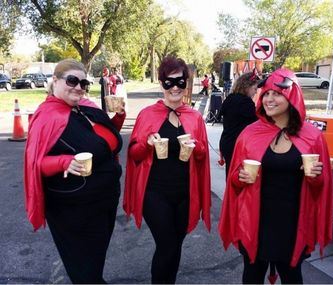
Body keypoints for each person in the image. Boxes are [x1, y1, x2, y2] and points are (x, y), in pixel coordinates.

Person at [219, 68, 333, 284]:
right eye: (266, 94)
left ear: (292, 96)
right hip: (255, 220)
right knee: (252, 275)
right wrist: (239, 177)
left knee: (292, 276)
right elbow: (234, 180)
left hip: (292, 223)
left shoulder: (312, 137)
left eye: (277, 93)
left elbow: (321, 188)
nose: (269, 99)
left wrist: (315, 178)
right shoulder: (250, 134)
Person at [24, 59, 126, 284]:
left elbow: (101, 143)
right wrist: (63, 162)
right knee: (85, 271)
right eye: (72, 80)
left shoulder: (86, 107)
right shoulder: (47, 116)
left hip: (105, 200)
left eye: (84, 83)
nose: (79, 87)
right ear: (56, 81)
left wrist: (117, 119)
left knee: (96, 261)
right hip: (73, 209)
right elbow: (35, 164)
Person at [123, 56, 211, 284]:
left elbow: (202, 156)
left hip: (185, 193)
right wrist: (146, 144)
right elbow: (133, 155)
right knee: (167, 245)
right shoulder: (147, 115)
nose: (175, 87)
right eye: (169, 82)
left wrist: (197, 146)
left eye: (180, 82)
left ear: (186, 84)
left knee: (175, 246)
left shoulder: (194, 117)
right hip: (155, 193)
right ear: (162, 83)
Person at [219, 71, 259, 177]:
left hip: (226, 141)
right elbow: (257, 123)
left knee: (230, 174)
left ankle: (228, 193)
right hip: (236, 144)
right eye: (255, 89)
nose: (255, 92)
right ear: (247, 87)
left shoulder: (230, 98)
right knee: (237, 176)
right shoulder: (246, 103)